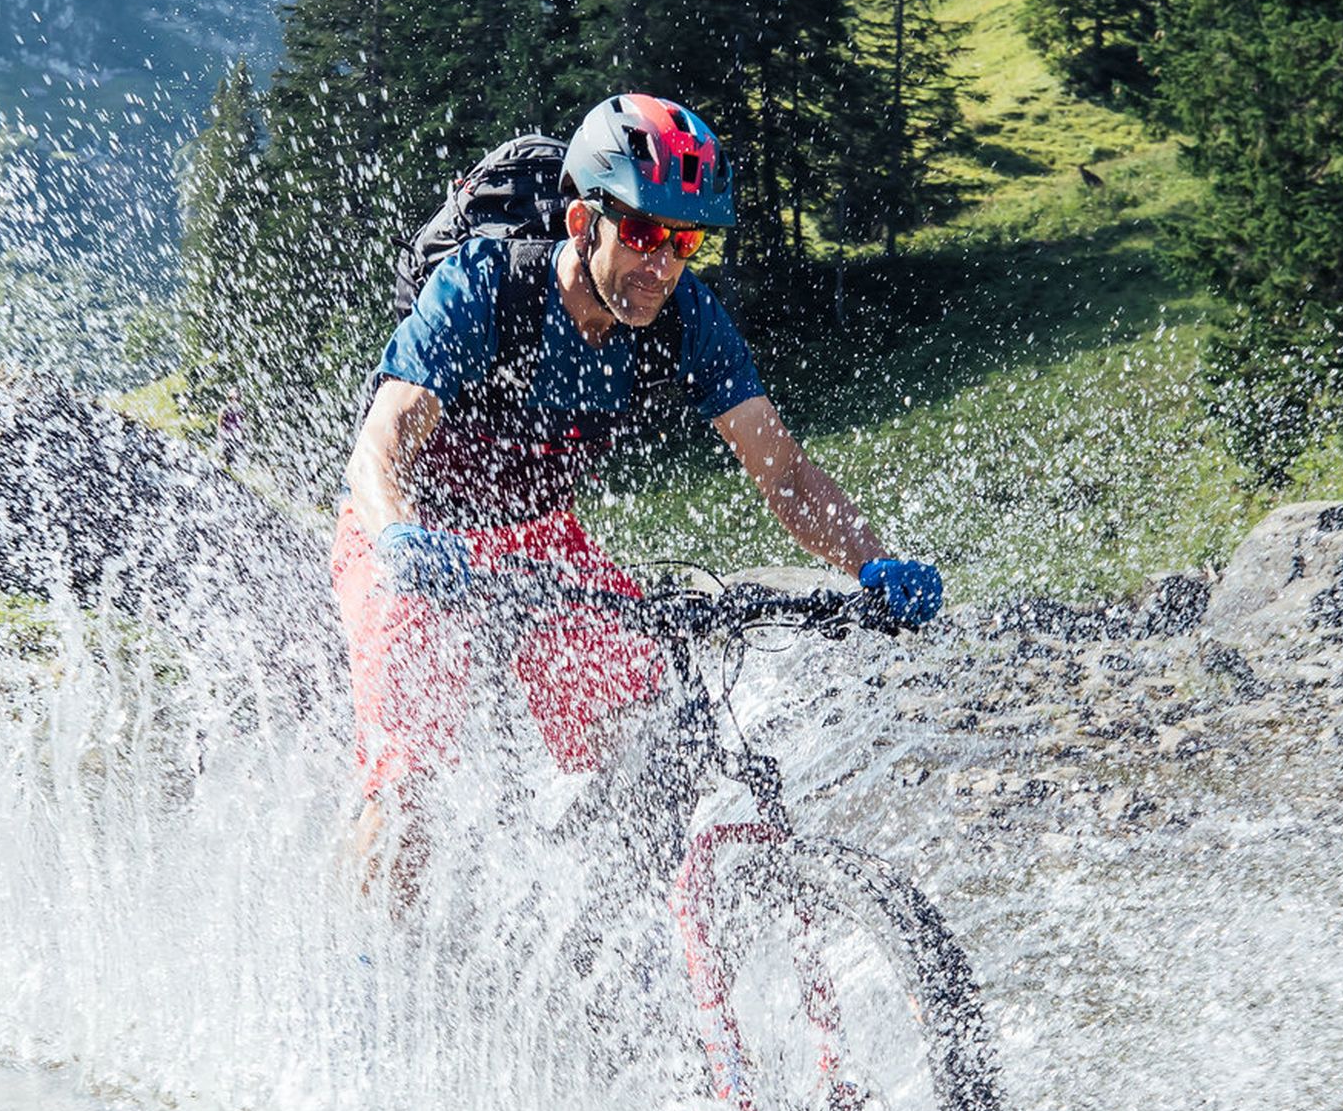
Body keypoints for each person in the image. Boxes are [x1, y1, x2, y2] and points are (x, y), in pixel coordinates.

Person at [335, 93, 942, 903]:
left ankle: (601, 938)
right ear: (585, 224)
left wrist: (875, 563)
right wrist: (401, 537)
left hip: (541, 538)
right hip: (409, 536)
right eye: (646, 234)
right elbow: (381, 446)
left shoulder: (684, 318)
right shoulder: (487, 288)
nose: (663, 264)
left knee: (660, 735)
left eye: (685, 241)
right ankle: (358, 972)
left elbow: (785, 473)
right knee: (410, 785)